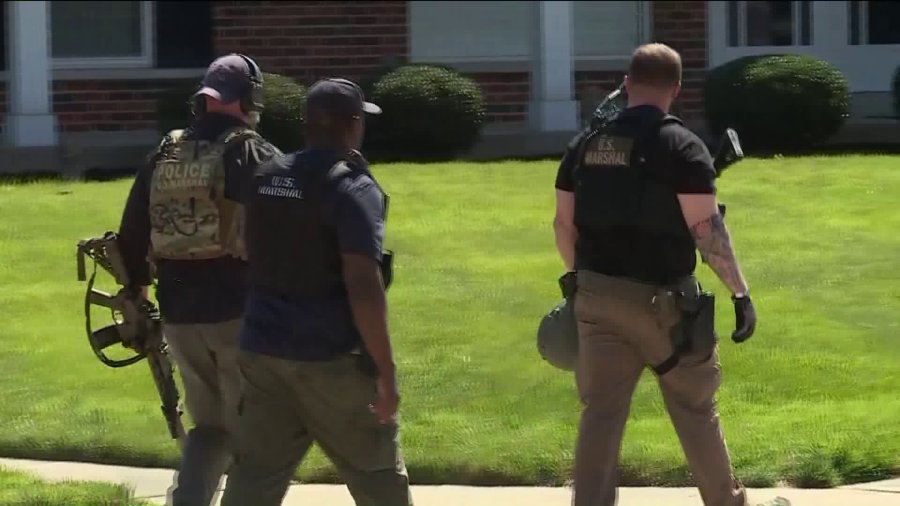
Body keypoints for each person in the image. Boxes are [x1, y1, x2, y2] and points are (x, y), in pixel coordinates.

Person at [553, 43, 789, 506]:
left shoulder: (585, 145)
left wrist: (580, 279)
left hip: (597, 298)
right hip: (666, 306)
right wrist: (740, 293)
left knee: (601, 414)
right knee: (694, 407)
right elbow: (706, 228)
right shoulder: (680, 145)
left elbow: (564, 224)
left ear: (627, 83)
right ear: (676, 89)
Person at [219, 77, 413, 506]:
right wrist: (385, 369)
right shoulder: (352, 189)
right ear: (354, 123)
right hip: (330, 357)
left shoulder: (265, 176)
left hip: (263, 350)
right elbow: (363, 282)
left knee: (254, 479)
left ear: (306, 123)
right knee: (378, 477)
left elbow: (245, 248)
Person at [117, 53, 282, 506]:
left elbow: (132, 233)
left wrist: (137, 294)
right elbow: (287, 222)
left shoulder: (164, 153)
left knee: (209, 430)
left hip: (180, 317)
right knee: (258, 434)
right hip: (240, 315)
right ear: (250, 97)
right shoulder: (250, 151)